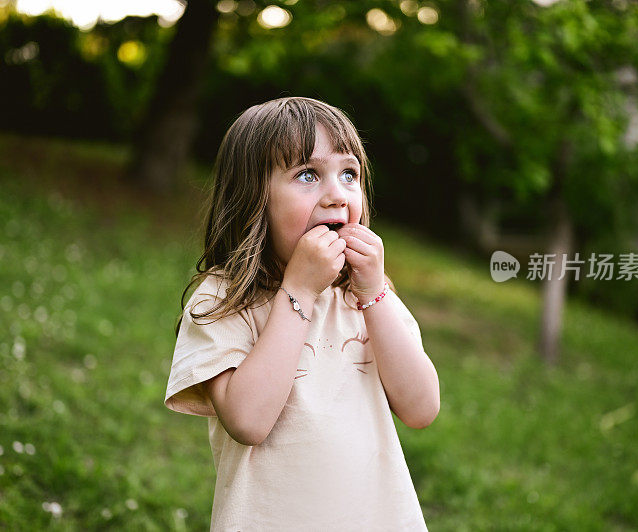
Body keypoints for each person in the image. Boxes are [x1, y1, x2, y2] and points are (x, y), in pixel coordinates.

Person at [164, 96, 440, 530]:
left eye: (349, 174)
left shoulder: (366, 297)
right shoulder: (223, 299)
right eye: (308, 175)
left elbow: (422, 408)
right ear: (254, 199)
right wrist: (298, 290)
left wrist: (373, 294)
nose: (336, 194)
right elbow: (248, 421)